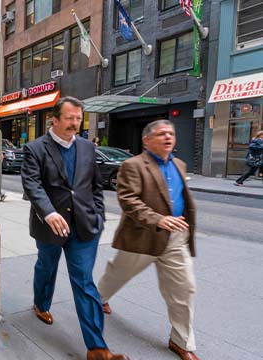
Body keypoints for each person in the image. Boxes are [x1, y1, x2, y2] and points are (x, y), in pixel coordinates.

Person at [21, 97, 129, 360]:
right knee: (46, 266)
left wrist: (98, 216)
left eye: (78, 119)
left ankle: (97, 348)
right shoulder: (35, 148)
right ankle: (41, 303)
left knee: (84, 282)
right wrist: (48, 212)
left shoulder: (87, 148)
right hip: (50, 226)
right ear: (54, 120)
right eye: (69, 118)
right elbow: (32, 185)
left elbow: (94, 186)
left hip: (84, 226)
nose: (75, 124)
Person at [97, 120, 199, 360]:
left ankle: (181, 341)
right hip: (142, 237)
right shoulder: (132, 165)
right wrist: (157, 219)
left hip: (175, 237)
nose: (168, 137)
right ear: (146, 139)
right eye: (162, 133)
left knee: (184, 289)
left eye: (171, 133)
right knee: (117, 274)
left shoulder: (180, 164)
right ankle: (99, 299)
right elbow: (128, 200)